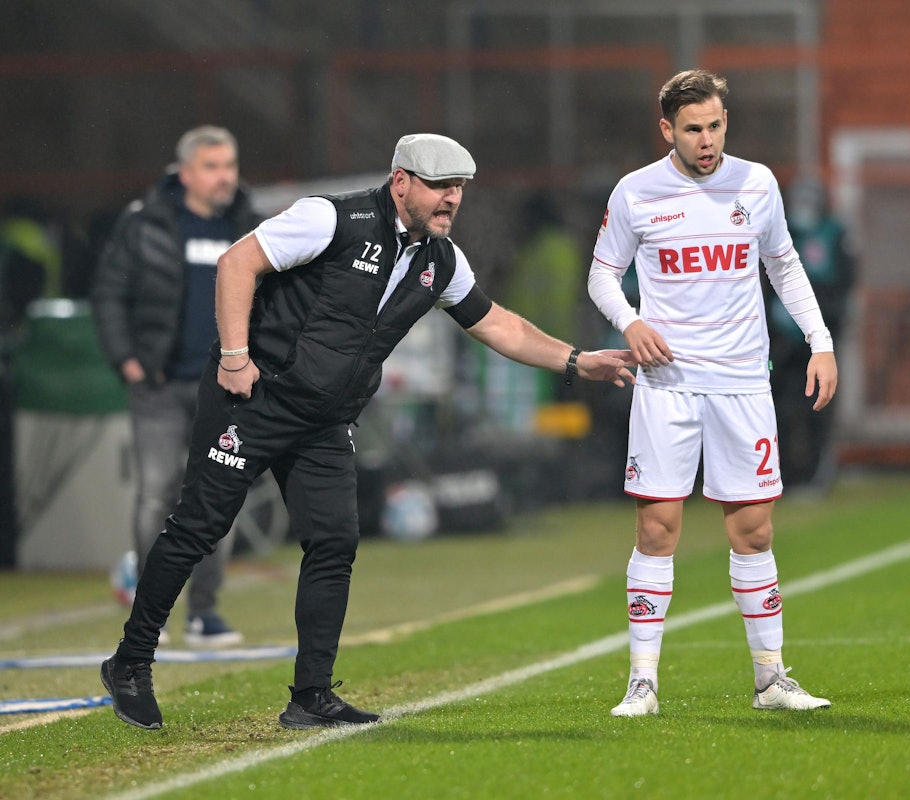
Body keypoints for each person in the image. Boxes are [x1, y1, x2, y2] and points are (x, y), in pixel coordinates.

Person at [99, 133, 636, 731]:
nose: (450, 199)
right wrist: (233, 356)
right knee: (198, 526)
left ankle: (311, 696)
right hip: (255, 397)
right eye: (439, 186)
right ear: (401, 180)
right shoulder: (332, 218)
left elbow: (497, 324)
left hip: (326, 419)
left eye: (458, 189)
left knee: (334, 542)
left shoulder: (441, 260)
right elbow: (237, 262)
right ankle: (130, 662)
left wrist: (575, 360)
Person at [587, 70, 838, 716]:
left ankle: (770, 679)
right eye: (693, 129)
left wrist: (820, 340)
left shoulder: (756, 184)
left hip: (740, 383)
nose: (707, 140)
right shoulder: (636, 192)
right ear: (666, 129)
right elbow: (602, 275)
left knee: (753, 531)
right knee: (657, 526)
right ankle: (642, 682)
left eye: (715, 126)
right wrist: (631, 322)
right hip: (667, 386)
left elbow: (782, 263)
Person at [92, 126, 261, 647]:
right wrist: (127, 361)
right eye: (211, 166)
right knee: (155, 496)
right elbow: (109, 292)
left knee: (219, 496)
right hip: (160, 388)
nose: (224, 176)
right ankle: (153, 612)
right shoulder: (145, 223)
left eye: (229, 165)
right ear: (185, 172)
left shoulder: (250, 226)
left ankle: (203, 612)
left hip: (225, 388)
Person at [767, 177, 854, 491]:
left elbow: (843, 283)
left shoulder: (834, 234)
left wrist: (830, 327)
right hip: (780, 341)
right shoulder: (778, 233)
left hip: (818, 342)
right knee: (778, 404)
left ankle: (817, 472)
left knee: (818, 406)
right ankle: (784, 472)